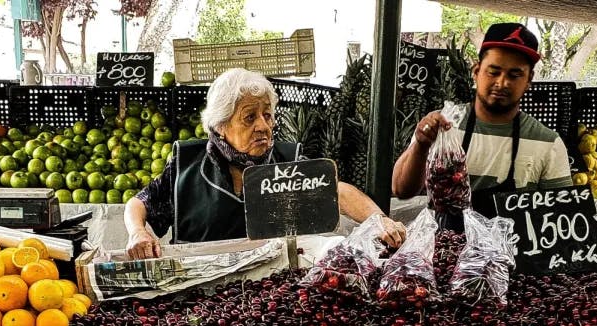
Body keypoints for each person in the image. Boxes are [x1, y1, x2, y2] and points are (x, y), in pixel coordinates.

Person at [125, 68, 405, 259]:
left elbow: (337, 191)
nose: (263, 126)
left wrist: (379, 220)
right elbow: (140, 203)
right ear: (221, 124)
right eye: (250, 117)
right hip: (198, 295)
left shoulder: (287, 161)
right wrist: (138, 232)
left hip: (269, 299)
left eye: (268, 116)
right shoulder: (187, 164)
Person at [391, 22, 573, 220]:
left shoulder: (548, 143)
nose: (502, 83)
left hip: (511, 250)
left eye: (515, 75)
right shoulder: (443, 127)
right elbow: (401, 189)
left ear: (529, 80)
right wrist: (421, 145)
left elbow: (561, 219)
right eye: (493, 72)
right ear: (476, 72)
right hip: (447, 248)